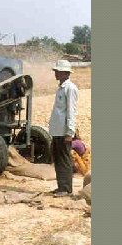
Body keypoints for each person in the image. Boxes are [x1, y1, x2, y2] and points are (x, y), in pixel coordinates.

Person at [48, 59, 79, 197]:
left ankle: (66, 189)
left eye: (58, 71)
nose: (56, 73)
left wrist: (70, 132)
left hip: (64, 131)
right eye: (56, 71)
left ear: (66, 73)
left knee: (64, 159)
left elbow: (71, 111)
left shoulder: (70, 88)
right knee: (58, 159)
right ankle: (61, 187)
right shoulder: (61, 88)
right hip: (57, 130)